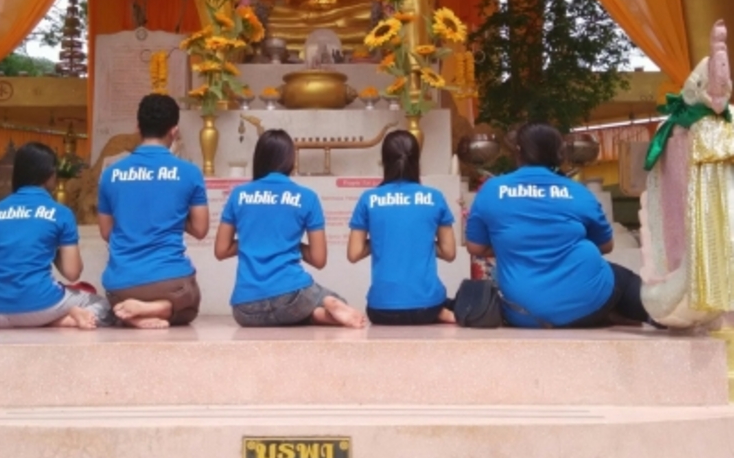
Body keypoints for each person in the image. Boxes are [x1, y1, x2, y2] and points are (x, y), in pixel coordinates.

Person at [465, 122, 653, 328]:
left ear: (518, 151)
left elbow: (475, 247)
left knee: (607, 282)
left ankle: (609, 315)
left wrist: (516, 245)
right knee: (622, 280)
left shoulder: (492, 190)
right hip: (588, 299)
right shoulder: (578, 192)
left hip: (523, 313)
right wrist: (560, 241)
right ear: (559, 153)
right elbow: (606, 245)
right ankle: (660, 315)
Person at [214, 129, 365, 327]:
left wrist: (258, 238)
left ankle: (316, 313)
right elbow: (319, 259)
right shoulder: (307, 197)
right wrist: (286, 242)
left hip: (246, 310)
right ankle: (322, 310)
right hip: (293, 297)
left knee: (288, 311)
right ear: (290, 160)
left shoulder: (238, 195)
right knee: (336, 300)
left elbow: (221, 250)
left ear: (258, 158)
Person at [98, 94, 209, 329]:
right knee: (190, 301)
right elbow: (200, 230)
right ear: (174, 131)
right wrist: (175, 214)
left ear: (137, 128)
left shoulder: (110, 174)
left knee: (118, 305)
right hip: (171, 283)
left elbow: (106, 232)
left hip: (120, 287)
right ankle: (162, 307)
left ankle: (134, 314)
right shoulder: (189, 172)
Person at [0, 142, 109, 330]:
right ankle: (61, 319)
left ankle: (51, 318)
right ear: (50, 174)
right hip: (39, 306)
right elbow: (72, 273)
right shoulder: (60, 213)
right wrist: (53, 248)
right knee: (102, 305)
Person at [347, 129, 457, 324]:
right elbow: (449, 252)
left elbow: (354, 253)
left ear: (384, 161)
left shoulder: (368, 198)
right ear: (417, 160)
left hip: (381, 310)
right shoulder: (435, 197)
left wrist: (384, 239)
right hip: (427, 307)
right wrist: (418, 240)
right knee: (452, 303)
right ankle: (441, 313)